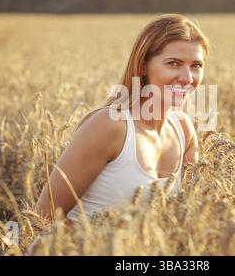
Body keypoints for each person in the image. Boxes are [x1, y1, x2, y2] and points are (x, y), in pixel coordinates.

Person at [35, 13, 210, 222]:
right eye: (173, 63)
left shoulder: (183, 129)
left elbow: (187, 216)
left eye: (196, 65)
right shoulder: (111, 125)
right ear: (143, 65)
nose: (187, 78)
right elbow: (42, 218)